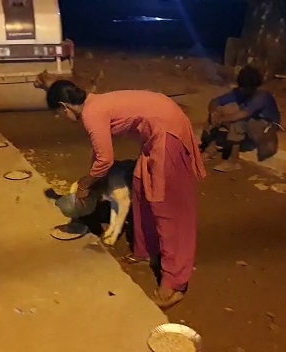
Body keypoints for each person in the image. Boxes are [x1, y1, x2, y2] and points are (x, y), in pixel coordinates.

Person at [45, 81, 207, 309]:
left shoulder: (92, 113)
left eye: (58, 114)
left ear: (64, 107)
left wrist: (85, 183)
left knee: (166, 208)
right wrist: (94, 179)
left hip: (168, 130)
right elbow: (99, 152)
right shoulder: (94, 104)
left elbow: (105, 160)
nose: (60, 117)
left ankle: (174, 282)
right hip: (155, 133)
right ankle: (145, 251)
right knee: (140, 188)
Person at [206, 65, 282, 172]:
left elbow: (243, 114)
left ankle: (233, 161)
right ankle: (212, 146)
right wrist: (213, 112)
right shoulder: (240, 92)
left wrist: (221, 119)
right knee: (221, 111)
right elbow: (215, 101)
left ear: (252, 87)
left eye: (244, 87)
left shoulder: (261, 96)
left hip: (266, 127)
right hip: (252, 124)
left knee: (239, 121)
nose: (241, 89)